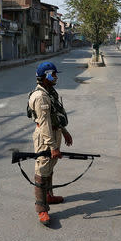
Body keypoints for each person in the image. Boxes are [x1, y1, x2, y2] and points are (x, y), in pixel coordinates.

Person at [27, 61, 73, 226]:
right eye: (53, 74)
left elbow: (55, 115)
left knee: (50, 166)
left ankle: (49, 196)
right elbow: (45, 123)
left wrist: (65, 132)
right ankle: (42, 209)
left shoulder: (50, 91)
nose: (55, 77)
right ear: (45, 76)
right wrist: (53, 147)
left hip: (54, 132)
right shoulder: (40, 97)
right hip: (46, 137)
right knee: (42, 169)